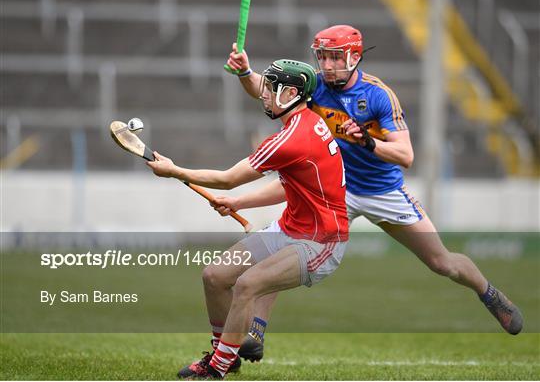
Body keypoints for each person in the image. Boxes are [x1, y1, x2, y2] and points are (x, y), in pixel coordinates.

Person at [220, 24, 524, 363]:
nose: (327, 65)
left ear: (353, 56)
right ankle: (256, 332)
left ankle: (489, 293)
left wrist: (367, 141)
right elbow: (266, 88)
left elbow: (406, 156)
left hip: (383, 190)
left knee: (442, 262)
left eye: (335, 57)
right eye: (322, 57)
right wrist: (245, 70)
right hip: (335, 187)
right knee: (288, 242)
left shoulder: (378, 95)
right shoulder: (315, 85)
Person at [147, 59, 349, 379]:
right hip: (289, 229)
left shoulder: (292, 138)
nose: (264, 95)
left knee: (247, 284)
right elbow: (288, 186)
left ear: (292, 94)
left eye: (272, 89)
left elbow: (227, 179)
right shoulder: (305, 122)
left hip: (321, 241)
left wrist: (174, 171)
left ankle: (216, 369)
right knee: (215, 276)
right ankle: (226, 352)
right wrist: (238, 202)